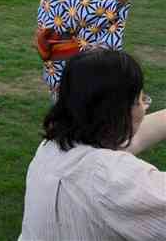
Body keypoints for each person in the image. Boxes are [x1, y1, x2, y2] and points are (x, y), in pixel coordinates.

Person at [19, 49, 166, 240]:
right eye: (141, 100)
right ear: (120, 111)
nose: (144, 108)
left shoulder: (52, 148)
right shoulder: (112, 178)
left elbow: (131, 139)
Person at [35, 0, 162, 98]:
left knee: (63, 107)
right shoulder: (70, 1)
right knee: (79, 111)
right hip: (73, 70)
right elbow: (108, 6)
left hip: (55, 68)